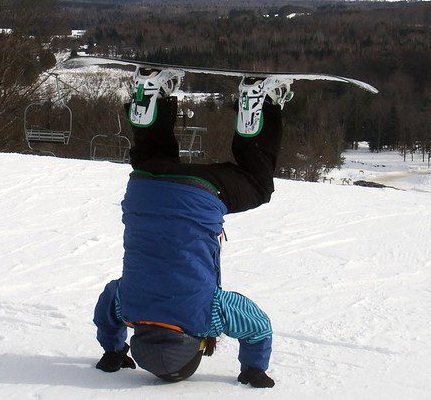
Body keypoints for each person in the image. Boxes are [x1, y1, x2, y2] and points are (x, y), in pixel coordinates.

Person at [92, 68, 289, 387]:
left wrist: (253, 368)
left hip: (198, 193)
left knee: (258, 184)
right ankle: (149, 97)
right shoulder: (129, 307)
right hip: (144, 189)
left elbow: (257, 325)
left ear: (195, 346)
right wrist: (113, 349)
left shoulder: (206, 314)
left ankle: (258, 102)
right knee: (153, 159)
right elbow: (105, 307)